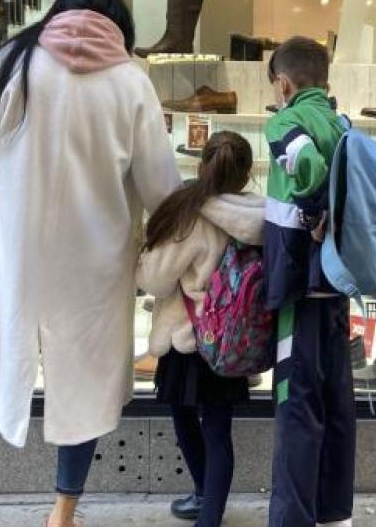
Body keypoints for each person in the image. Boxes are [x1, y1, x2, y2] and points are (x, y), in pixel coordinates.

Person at [0, 0, 181, 527]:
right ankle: (61, 515)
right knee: (85, 389)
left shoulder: (13, 63)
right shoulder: (131, 81)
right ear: (117, 25)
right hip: (95, 264)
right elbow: (160, 186)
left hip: (10, 254)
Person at [136, 131, 264, 527]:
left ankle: (205, 499)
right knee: (219, 431)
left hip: (189, 339)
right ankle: (210, 512)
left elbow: (156, 281)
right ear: (245, 176)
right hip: (233, 339)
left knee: (184, 417)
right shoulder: (261, 217)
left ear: (200, 165)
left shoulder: (188, 217)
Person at [262, 37, 354, 527]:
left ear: (284, 84)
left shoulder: (285, 120)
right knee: (335, 403)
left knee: (295, 409)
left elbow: (307, 166)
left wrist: (313, 209)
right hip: (337, 284)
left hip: (299, 285)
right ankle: (335, 515)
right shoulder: (341, 123)